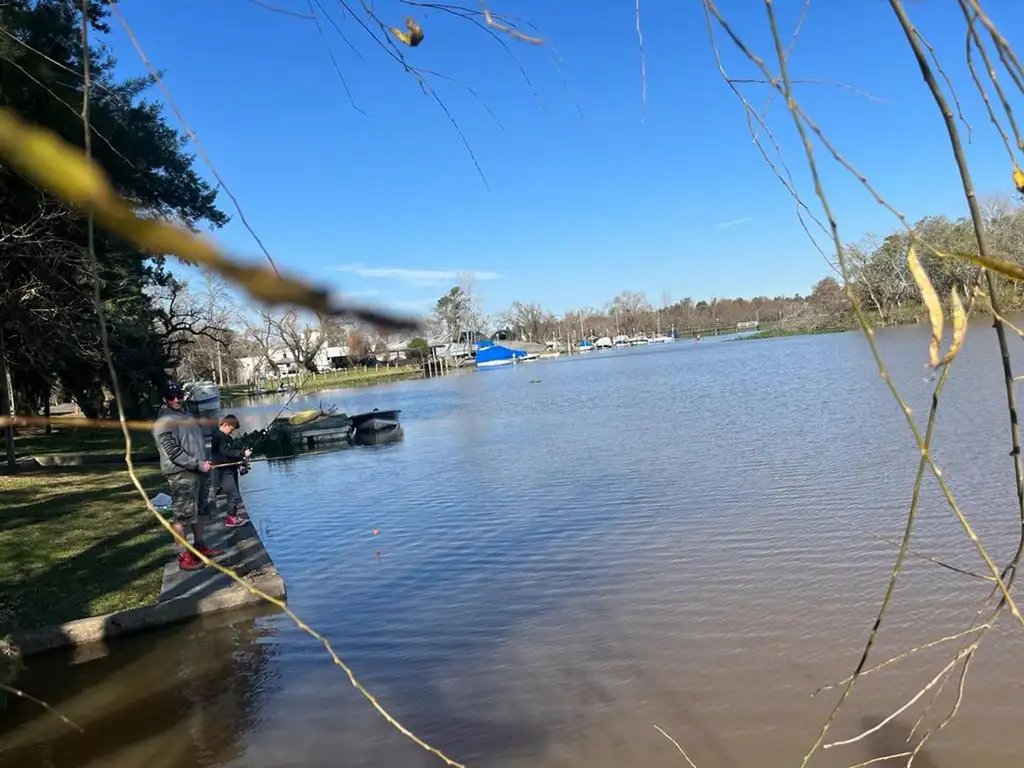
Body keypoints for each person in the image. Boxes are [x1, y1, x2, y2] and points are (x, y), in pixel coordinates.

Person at [152, 382, 223, 571]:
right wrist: (196, 463)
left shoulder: (187, 414)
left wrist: (204, 461)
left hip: (199, 470)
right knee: (182, 516)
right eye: (171, 397)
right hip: (180, 473)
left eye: (178, 396)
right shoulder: (163, 422)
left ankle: (200, 547)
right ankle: (183, 556)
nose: (176, 400)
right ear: (164, 399)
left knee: (200, 510)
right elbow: (173, 452)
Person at [211, 414, 252, 529]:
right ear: (225, 425)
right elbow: (225, 452)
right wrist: (241, 454)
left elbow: (230, 452)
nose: (231, 432)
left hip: (231, 468)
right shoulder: (218, 437)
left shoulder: (227, 438)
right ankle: (231, 518)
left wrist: (241, 459)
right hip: (224, 470)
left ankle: (233, 516)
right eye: (231, 429)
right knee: (233, 493)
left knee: (234, 493)